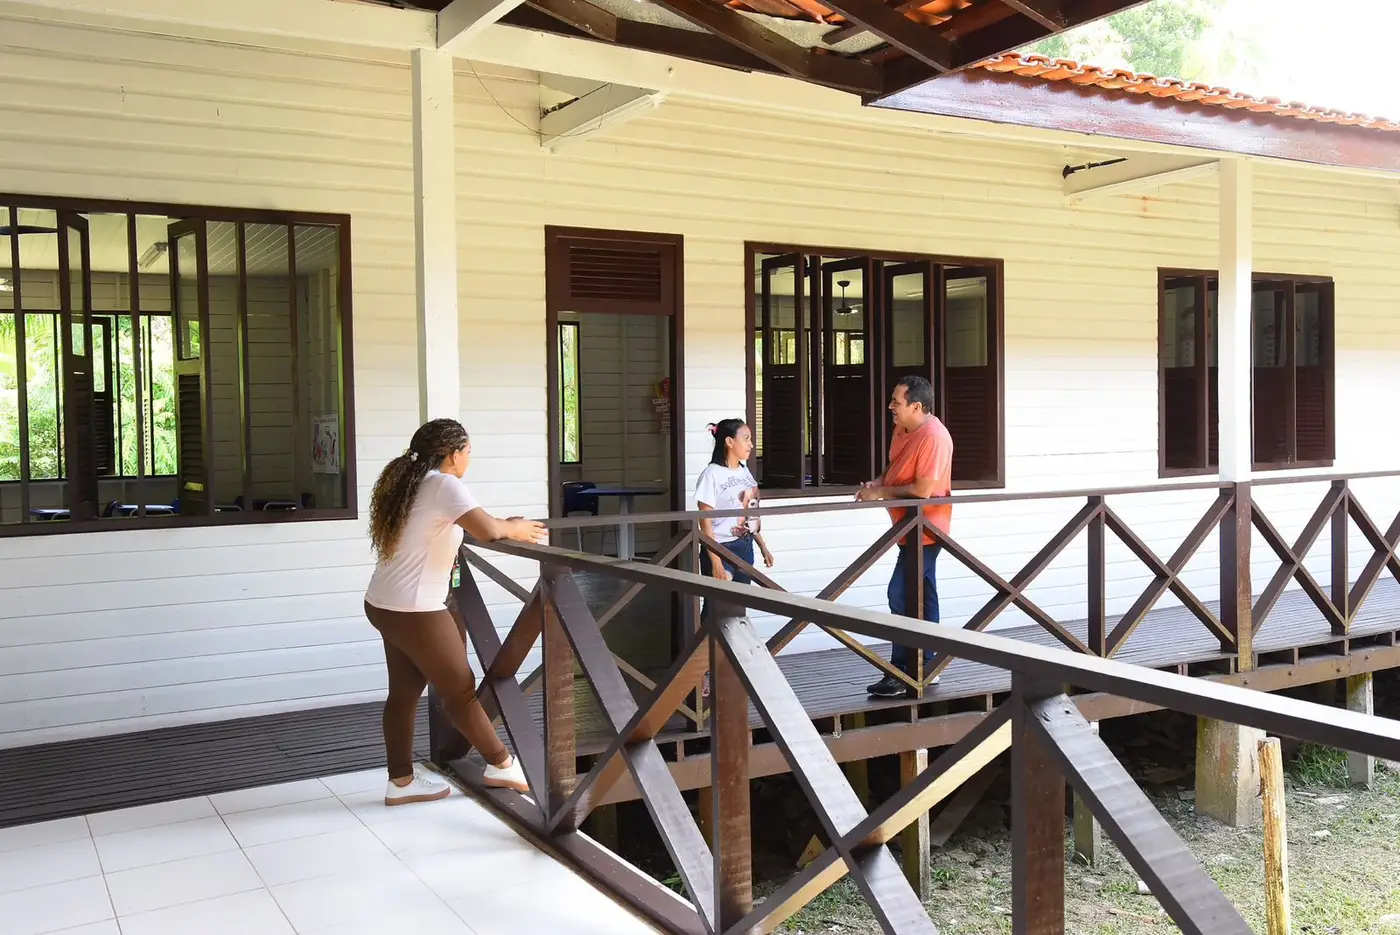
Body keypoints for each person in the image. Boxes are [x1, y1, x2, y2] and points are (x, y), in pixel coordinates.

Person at [363, 417, 546, 805]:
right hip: (415, 608)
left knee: (404, 692)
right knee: (460, 689)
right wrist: (514, 527)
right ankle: (501, 764)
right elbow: (487, 530)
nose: (468, 459)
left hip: (383, 602)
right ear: (452, 454)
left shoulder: (412, 481)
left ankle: (401, 781)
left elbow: (467, 523)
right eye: (468, 452)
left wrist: (503, 524)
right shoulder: (443, 484)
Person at [855, 376, 953, 698]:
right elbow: (894, 466)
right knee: (924, 593)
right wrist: (878, 483)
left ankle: (902, 670)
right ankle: (928, 664)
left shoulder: (934, 437)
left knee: (900, 593)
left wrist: (881, 493)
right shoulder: (902, 428)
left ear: (916, 406)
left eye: (896, 402)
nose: (890, 407)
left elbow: (923, 490)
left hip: (926, 528)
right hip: (906, 527)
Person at [695, 419, 773, 699]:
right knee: (714, 610)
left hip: (744, 546)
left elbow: (750, 513)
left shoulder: (745, 472)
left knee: (738, 610)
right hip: (721, 548)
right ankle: (700, 671)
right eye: (746, 438)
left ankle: (728, 666)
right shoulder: (712, 474)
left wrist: (762, 545)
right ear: (729, 442)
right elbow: (704, 519)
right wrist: (715, 560)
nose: (751, 444)